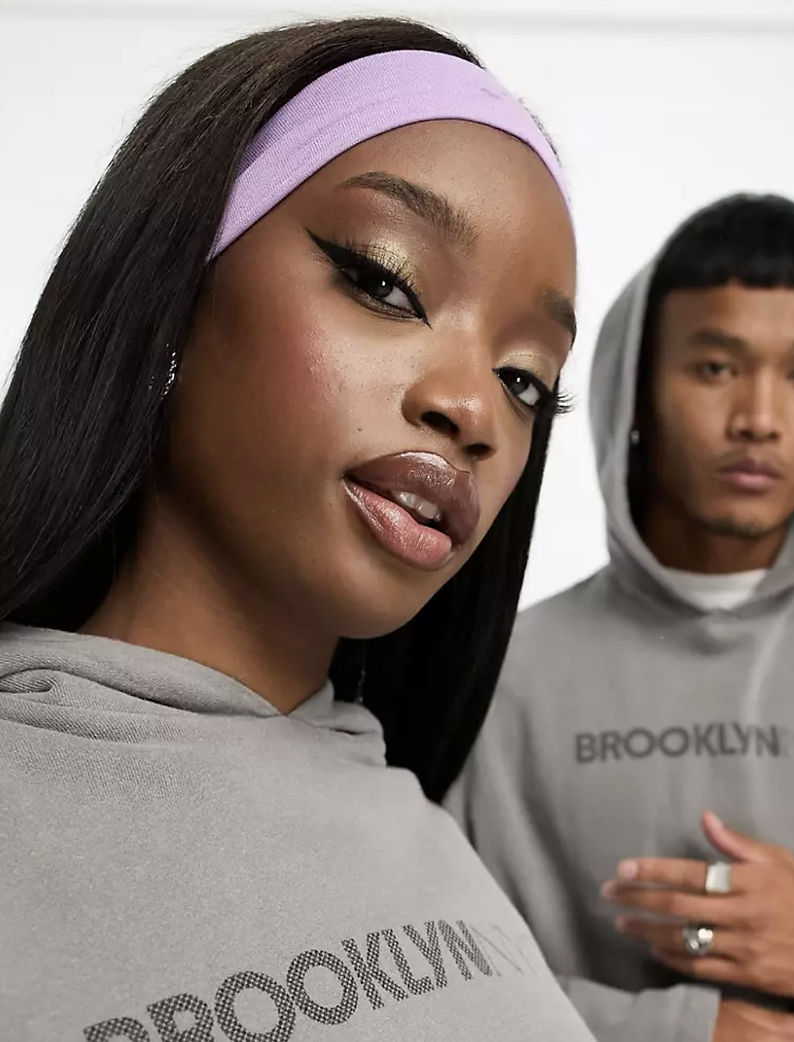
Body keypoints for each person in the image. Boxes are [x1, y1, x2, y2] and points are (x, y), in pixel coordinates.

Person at [0, 19, 593, 1041]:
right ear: (174, 292)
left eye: (524, 378)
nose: (475, 409)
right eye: (383, 279)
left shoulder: (424, 831)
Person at [448, 194, 794, 1042]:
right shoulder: (488, 681)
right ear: (635, 393)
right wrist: (670, 1032)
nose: (760, 420)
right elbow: (420, 974)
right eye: (715, 367)